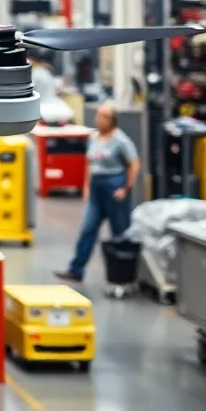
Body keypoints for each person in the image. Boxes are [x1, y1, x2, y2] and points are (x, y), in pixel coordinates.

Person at [55, 102, 140, 284]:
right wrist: (86, 187)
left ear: (112, 120)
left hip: (113, 188)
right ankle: (76, 270)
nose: (99, 120)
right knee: (88, 229)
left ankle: (124, 276)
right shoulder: (93, 137)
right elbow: (89, 164)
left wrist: (125, 189)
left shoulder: (121, 140)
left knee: (121, 233)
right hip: (96, 189)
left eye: (104, 117)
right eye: (98, 115)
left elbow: (134, 164)